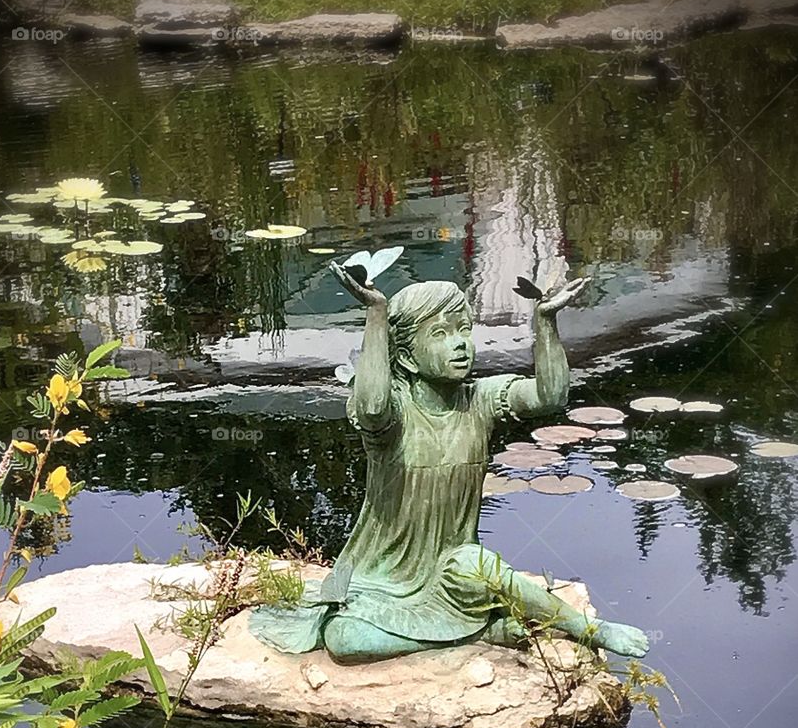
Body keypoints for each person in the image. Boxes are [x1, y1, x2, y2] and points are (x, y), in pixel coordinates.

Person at [250, 264, 649, 663]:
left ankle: (589, 630)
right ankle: (480, 633)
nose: (460, 344)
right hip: (383, 579)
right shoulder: (394, 413)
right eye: (440, 335)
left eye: (463, 330)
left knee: (476, 565)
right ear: (405, 358)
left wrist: (545, 322)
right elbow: (371, 406)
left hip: (454, 568)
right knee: (345, 640)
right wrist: (376, 315)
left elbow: (550, 397)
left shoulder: (481, 399)